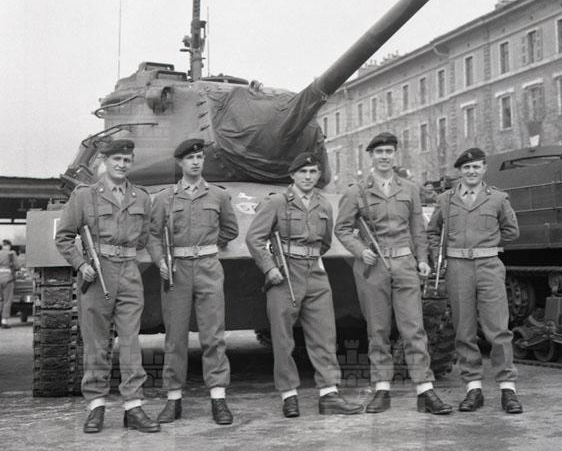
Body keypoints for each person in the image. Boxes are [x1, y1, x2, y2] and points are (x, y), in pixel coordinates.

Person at [334, 132, 452, 416]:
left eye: (389, 151)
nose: (384, 156)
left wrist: (422, 260)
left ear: (395, 154)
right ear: (371, 156)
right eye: (379, 152)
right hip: (373, 266)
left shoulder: (409, 189)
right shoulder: (356, 192)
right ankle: (381, 389)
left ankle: (425, 390)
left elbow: (417, 229)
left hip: (405, 264)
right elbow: (342, 229)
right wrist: (360, 250)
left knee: (414, 329)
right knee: (378, 331)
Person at [245, 152, 363, 418]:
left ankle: (329, 394)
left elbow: (325, 242)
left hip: (316, 274)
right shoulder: (276, 202)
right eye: (303, 172)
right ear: (293, 175)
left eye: (312, 172)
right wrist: (270, 267)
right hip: (285, 274)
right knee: (283, 339)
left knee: (324, 336)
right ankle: (289, 395)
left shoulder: (324, 205)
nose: (308, 177)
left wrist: (309, 258)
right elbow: (254, 238)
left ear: (318, 175)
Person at [55, 139, 160, 434]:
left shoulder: (141, 197)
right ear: (104, 161)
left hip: (129, 273)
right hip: (96, 273)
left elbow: (145, 237)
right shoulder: (84, 195)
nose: (122, 165)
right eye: (117, 159)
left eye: (127, 160)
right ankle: (96, 406)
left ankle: (133, 407)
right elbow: (63, 237)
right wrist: (81, 264)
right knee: (96, 343)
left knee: (130, 341)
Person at [149, 138, 239, 426]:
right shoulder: (164, 198)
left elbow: (230, 229)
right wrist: (160, 261)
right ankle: (173, 399)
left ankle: (218, 398)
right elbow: (153, 235)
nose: (196, 162)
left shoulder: (218, 196)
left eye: (200, 157)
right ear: (180, 162)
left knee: (213, 335)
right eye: (190, 158)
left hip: (208, 268)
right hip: (176, 270)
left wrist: (209, 247)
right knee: (175, 337)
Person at [426, 147, 522, 414]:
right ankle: (473, 388)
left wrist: (487, 246)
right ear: (460, 171)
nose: (471, 171)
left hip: (489, 266)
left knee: (498, 329)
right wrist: (438, 255)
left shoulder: (498, 198)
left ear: (484, 169)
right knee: (464, 330)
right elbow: (433, 232)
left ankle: (508, 390)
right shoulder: (445, 200)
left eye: (476, 167)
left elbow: (511, 231)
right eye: (466, 167)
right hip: (458, 268)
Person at [0, 239, 18, 328]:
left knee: (1, 300)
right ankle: (4, 321)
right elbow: (17, 266)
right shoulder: (11, 253)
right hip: (8, 279)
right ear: (9, 246)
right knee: (7, 300)